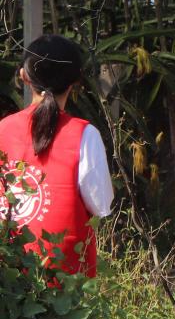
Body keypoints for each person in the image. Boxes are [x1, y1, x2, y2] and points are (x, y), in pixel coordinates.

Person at [0, 34, 111, 277]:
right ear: (75, 81)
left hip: (9, 281)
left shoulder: (3, 129)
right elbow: (101, 205)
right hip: (66, 288)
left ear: (24, 76)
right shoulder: (85, 135)